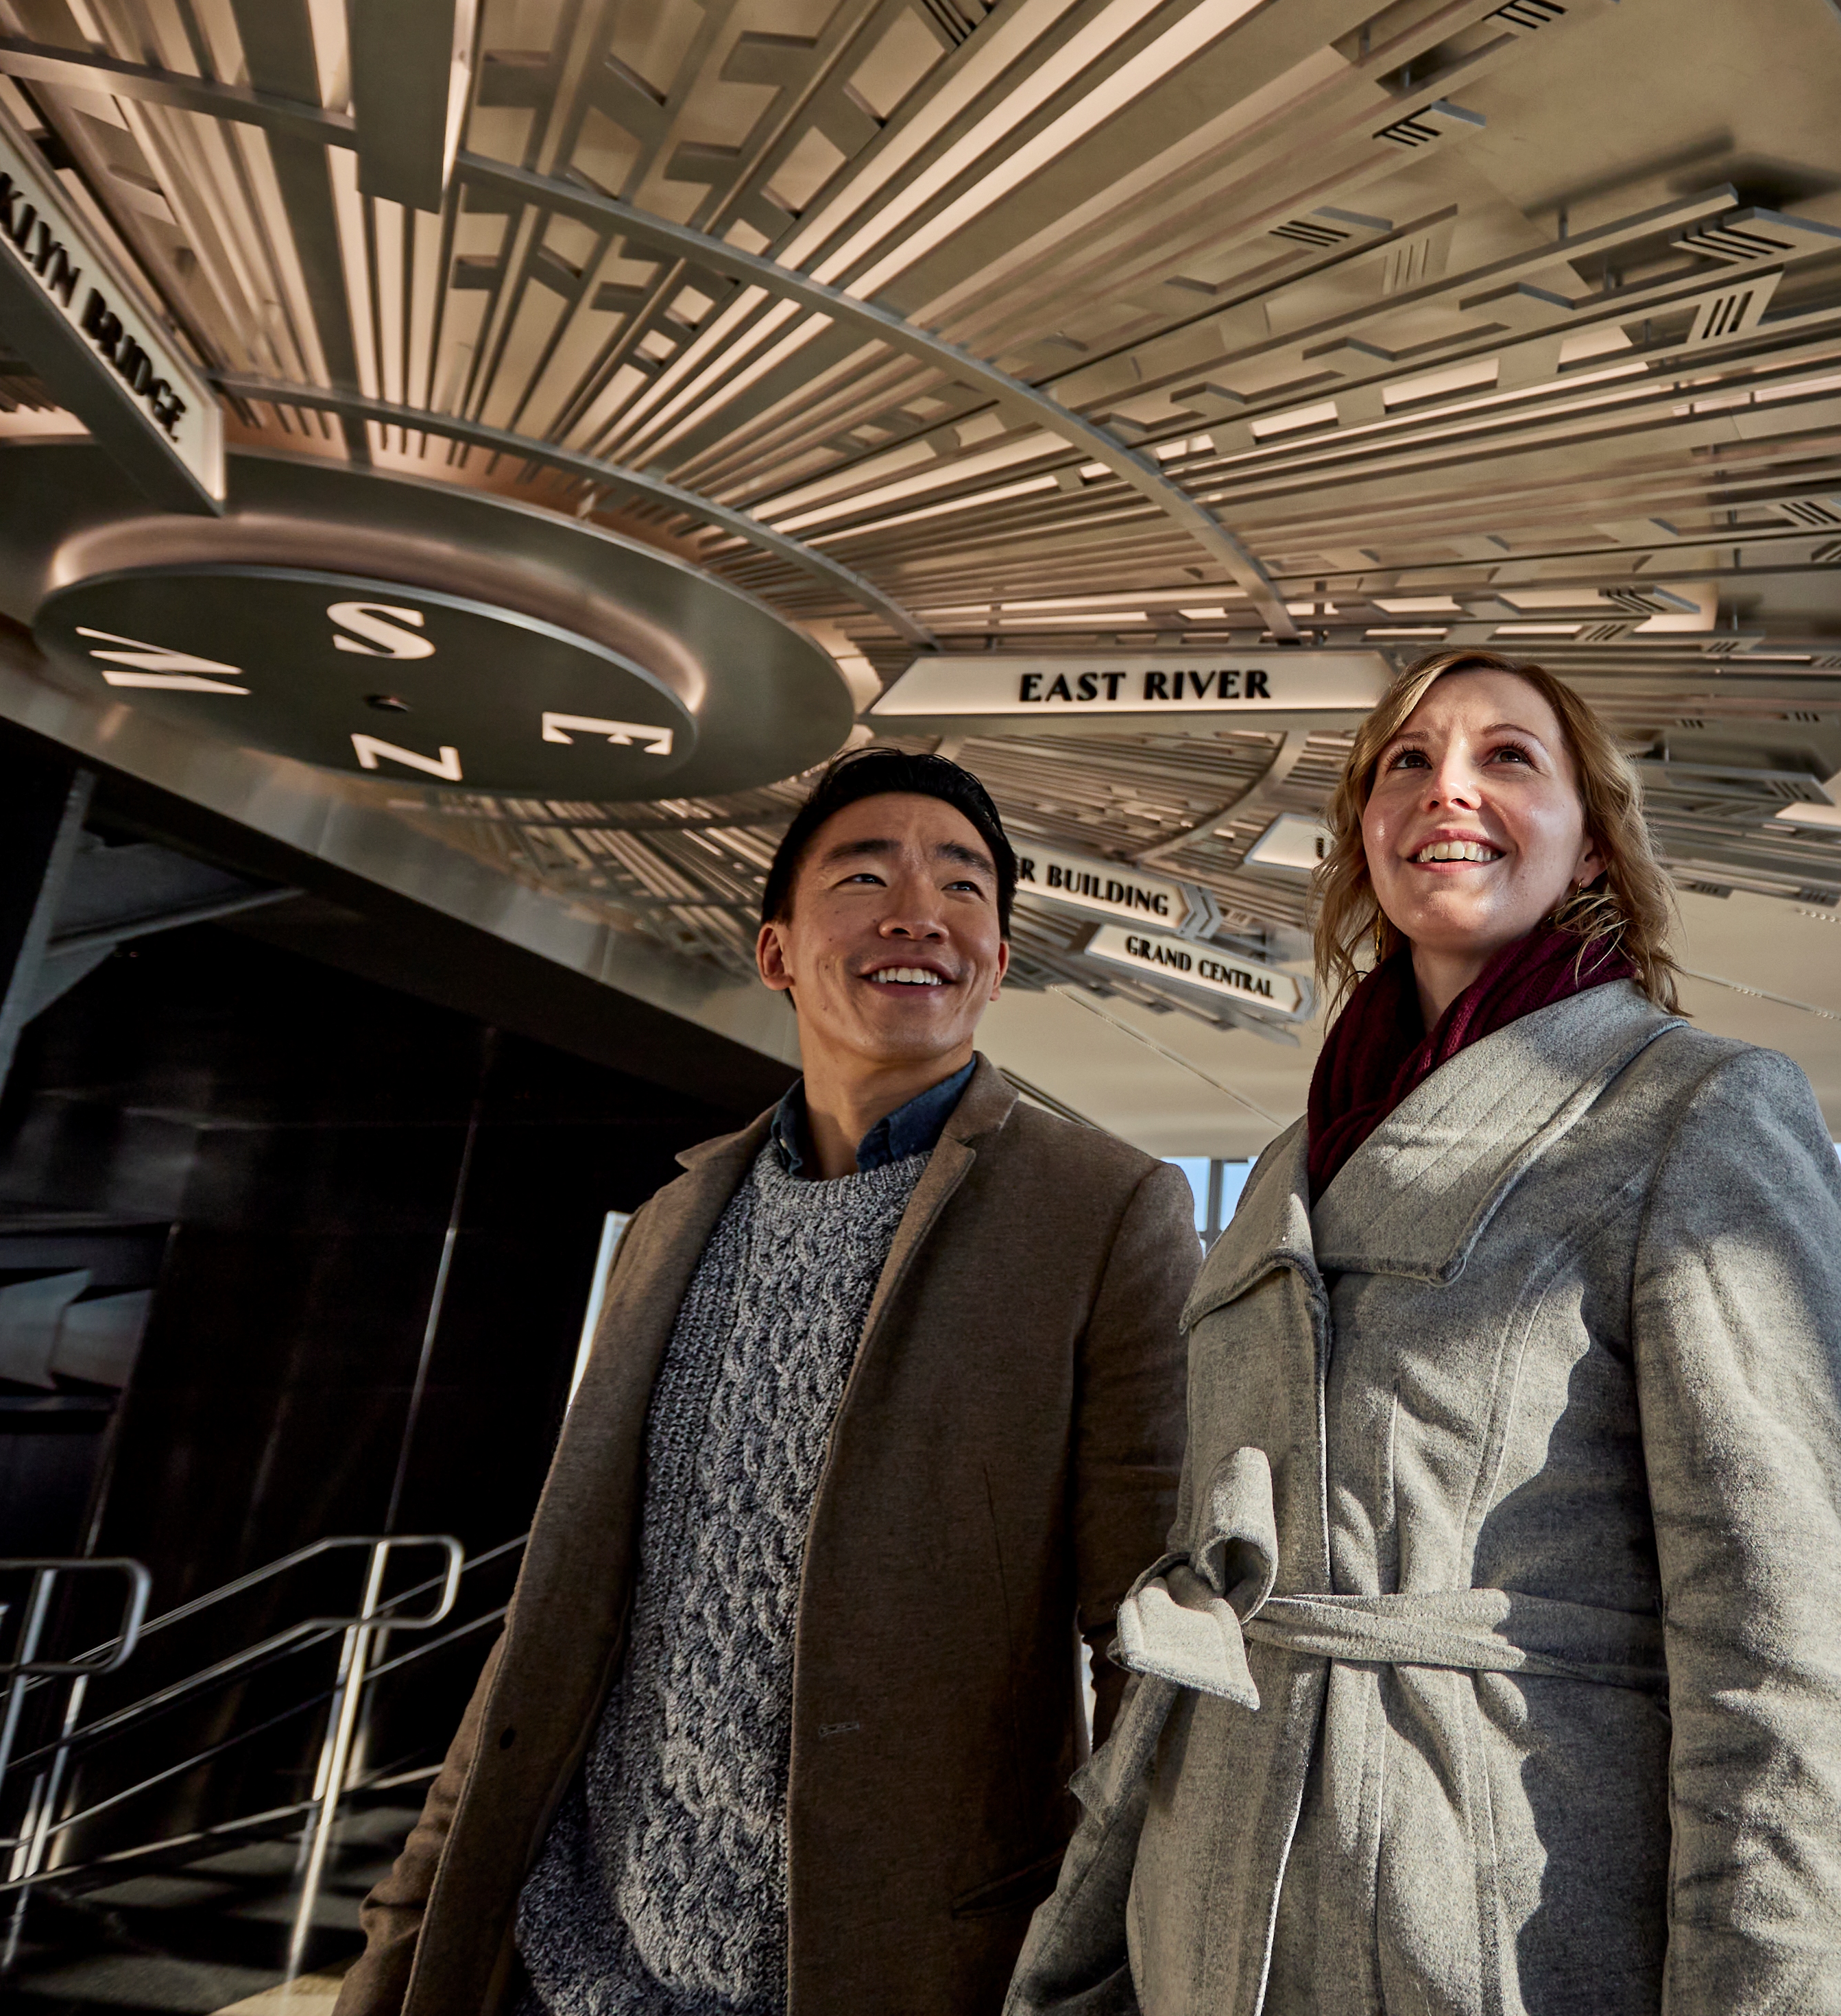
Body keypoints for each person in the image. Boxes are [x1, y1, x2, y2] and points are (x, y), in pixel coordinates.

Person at [1008, 652, 1841, 2016]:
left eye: (1509, 759)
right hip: (1212, 1916)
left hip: (1494, 1934)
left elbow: (1784, 1649)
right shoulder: (1280, 1165)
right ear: (1364, 829)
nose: (1449, 791)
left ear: (1591, 836)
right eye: (1405, 763)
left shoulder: (1695, 1112)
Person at [346, 749, 1201, 2016]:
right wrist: (402, 1936)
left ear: (999, 962)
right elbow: (557, 1622)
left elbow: (1152, 1644)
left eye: (965, 887)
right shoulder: (673, 1216)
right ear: (776, 952)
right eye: (866, 876)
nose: (921, 910)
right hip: (563, 1958)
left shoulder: (1105, 1210)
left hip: (896, 1967)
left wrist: (1110, 1967)